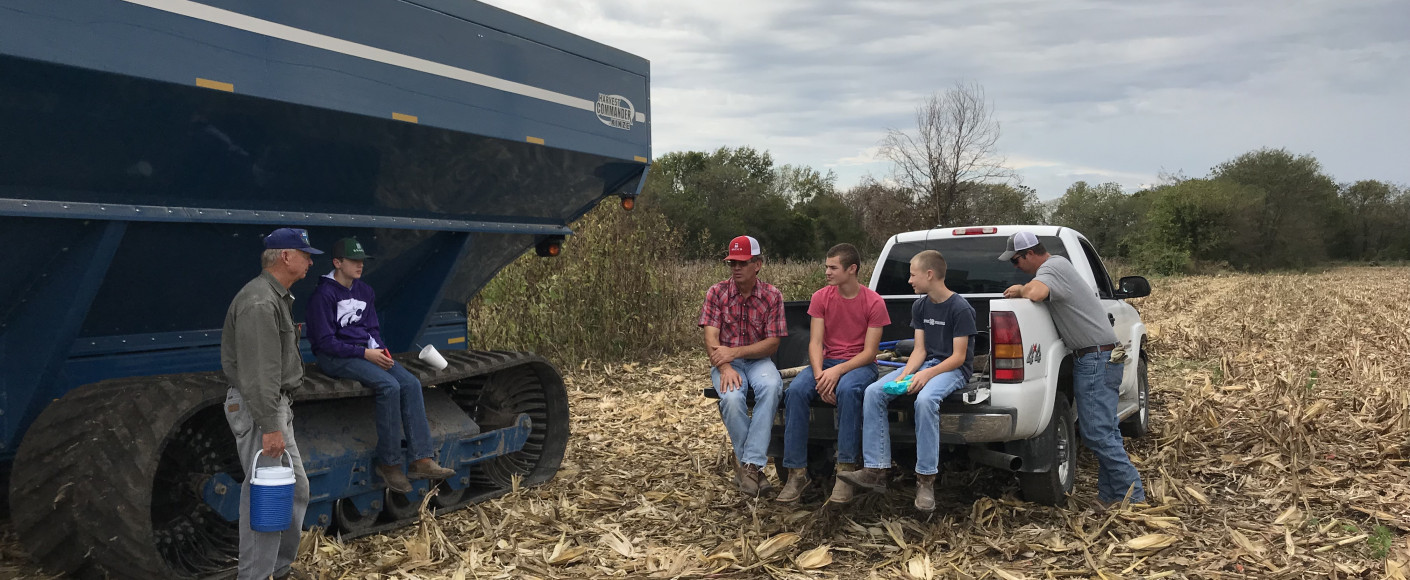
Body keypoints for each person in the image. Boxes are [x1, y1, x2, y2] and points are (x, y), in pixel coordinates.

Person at [999, 231, 1146, 508]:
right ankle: (1111, 497)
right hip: (1101, 356)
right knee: (1106, 431)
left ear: (1030, 254)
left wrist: (1020, 289)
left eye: (1015, 262)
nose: (1015, 267)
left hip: (1096, 359)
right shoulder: (1058, 266)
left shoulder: (1052, 267)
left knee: (1097, 433)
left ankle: (1134, 497)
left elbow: (1037, 292)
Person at [306, 238, 455, 493]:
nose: (359, 265)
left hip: (366, 353)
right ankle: (390, 464)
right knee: (389, 386)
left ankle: (421, 459)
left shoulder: (365, 291)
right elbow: (324, 342)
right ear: (337, 263)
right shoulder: (323, 295)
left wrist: (380, 351)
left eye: (361, 261)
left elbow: (372, 329)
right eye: (353, 261)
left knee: (410, 382)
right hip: (336, 357)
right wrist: (365, 354)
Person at [839, 250, 976, 511]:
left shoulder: (960, 308)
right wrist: (905, 374)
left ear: (929, 274)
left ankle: (925, 479)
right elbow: (920, 350)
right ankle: (876, 468)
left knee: (925, 400)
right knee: (874, 392)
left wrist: (925, 375)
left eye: (913, 275)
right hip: (926, 363)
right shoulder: (920, 305)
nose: (909, 280)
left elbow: (958, 358)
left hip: (952, 370)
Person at [220, 227, 318, 580]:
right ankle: (258, 576)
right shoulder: (260, 302)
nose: (310, 261)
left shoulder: (274, 297)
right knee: (267, 495)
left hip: (272, 405)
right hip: (261, 406)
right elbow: (260, 373)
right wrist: (270, 425)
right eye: (305, 254)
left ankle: (278, 570)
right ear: (285, 257)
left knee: (294, 490)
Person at [776, 243, 888, 504]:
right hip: (825, 364)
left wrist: (836, 372)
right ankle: (796, 473)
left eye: (832, 267)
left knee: (849, 390)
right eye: (826, 266)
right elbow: (815, 343)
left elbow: (870, 353)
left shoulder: (874, 302)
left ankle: (845, 472)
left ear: (852, 269)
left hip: (858, 365)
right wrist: (819, 377)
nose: (827, 272)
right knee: (794, 392)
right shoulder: (821, 297)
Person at [700, 235, 787, 497]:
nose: (736, 268)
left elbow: (772, 344)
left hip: (759, 360)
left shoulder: (772, 295)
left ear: (757, 264)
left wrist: (734, 352)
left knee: (772, 387)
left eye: (742, 263)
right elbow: (710, 337)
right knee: (732, 398)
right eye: (732, 263)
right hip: (727, 362)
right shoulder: (717, 292)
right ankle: (755, 469)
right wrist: (725, 366)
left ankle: (747, 467)